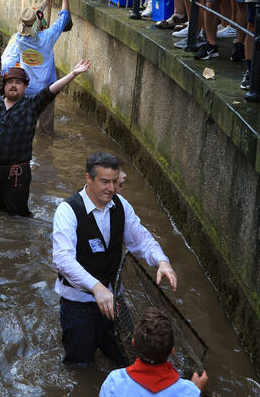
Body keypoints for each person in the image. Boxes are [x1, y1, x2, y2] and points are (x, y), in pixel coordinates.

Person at [53, 151, 177, 367]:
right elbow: (63, 260)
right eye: (104, 182)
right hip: (78, 304)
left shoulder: (120, 205)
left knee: (131, 359)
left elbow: (141, 239)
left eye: (114, 181)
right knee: (79, 366)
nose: (111, 188)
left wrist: (162, 261)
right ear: (88, 178)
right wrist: (96, 288)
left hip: (114, 301)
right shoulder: (68, 210)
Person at [0, 60, 91, 216]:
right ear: (4, 86)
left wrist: (72, 74)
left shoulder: (31, 105)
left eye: (18, 82)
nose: (13, 85)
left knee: (18, 216)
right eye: (10, 82)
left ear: (25, 87)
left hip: (17, 173)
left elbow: (49, 91)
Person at [96, 307, 208, 397]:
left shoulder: (114, 381)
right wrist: (197, 391)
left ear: (133, 343)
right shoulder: (189, 392)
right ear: (172, 351)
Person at [1, 0, 72, 134]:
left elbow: (32, 19)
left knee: (24, 128)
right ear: (39, 24)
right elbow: (64, 18)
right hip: (47, 89)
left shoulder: (20, 39)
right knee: (46, 132)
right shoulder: (47, 37)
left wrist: (46, 0)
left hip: (26, 89)